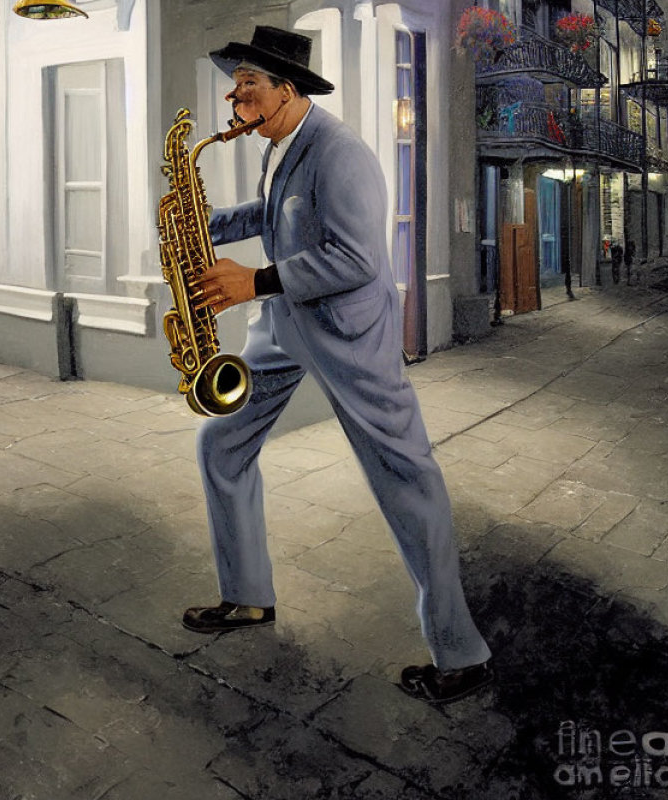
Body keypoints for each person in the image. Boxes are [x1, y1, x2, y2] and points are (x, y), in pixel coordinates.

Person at [181, 25, 493, 704]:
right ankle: (248, 596)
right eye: (235, 87)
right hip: (285, 330)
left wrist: (253, 282)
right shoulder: (281, 143)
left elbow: (357, 262)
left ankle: (461, 653)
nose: (234, 100)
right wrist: (203, 220)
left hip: (350, 336)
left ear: (285, 91)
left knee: (406, 477)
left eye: (247, 87)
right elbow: (275, 212)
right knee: (220, 441)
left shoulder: (342, 153)